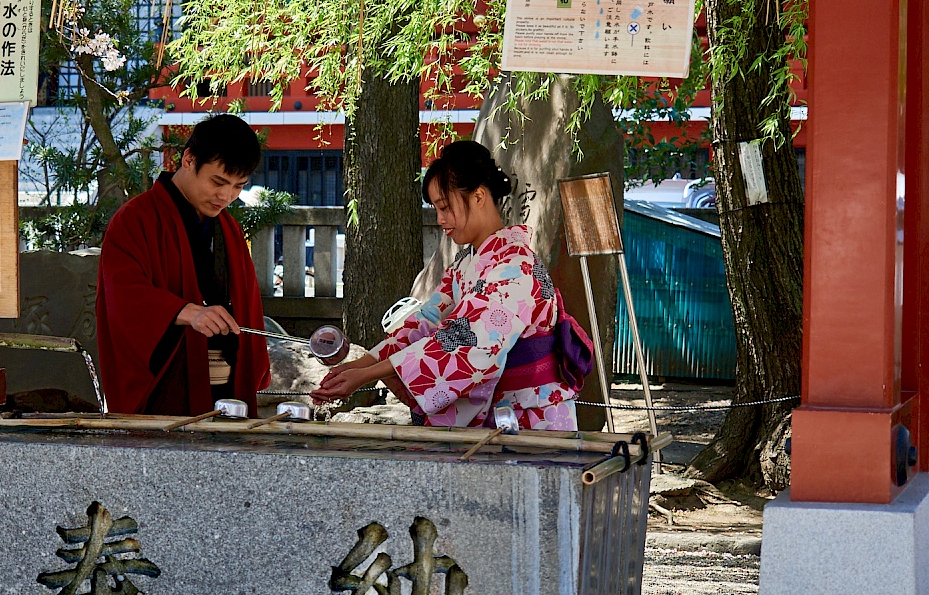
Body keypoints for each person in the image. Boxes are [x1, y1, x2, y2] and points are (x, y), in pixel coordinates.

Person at [312, 140, 592, 429]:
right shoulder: (464, 264)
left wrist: (365, 376)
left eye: (445, 207)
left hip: (531, 412)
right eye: (436, 208)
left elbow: (462, 340)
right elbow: (425, 323)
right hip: (503, 411)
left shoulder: (515, 267)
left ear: (479, 196)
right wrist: (357, 366)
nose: (440, 220)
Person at [96, 114, 271, 417]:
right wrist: (186, 312)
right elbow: (123, 296)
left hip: (228, 392)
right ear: (189, 159)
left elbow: (248, 307)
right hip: (169, 388)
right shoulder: (135, 219)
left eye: (237, 186)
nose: (226, 196)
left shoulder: (229, 228)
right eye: (218, 181)